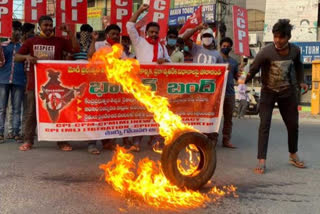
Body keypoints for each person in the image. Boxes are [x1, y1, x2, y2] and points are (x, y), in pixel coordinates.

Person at [245, 19, 308, 174]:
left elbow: (299, 66)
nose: (278, 41)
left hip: (288, 93)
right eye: (275, 37)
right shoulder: (265, 52)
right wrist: (241, 80)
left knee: (293, 125)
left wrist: (300, 81)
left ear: (288, 37)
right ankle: (262, 160)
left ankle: (293, 154)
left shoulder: (295, 51)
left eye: (281, 37)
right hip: (268, 92)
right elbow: (252, 70)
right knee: (264, 125)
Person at [14, 15, 80, 151]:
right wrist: (27, 56)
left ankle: (61, 141)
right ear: (39, 26)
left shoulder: (60, 41)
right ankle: (28, 141)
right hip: (35, 83)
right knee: (31, 113)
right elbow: (16, 57)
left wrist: (70, 33)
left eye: (50, 25)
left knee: (58, 112)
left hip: (56, 86)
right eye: (46, 25)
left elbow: (76, 50)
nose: (49, 28)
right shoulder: (31, 42)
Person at [126, 3, 171, 151]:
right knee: (140, 114)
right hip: (142, 86)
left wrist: (163, 62)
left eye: (156, 32)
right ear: (146, 32)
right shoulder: (139, 42)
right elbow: (130, 26)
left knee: (157, 114)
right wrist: (139, 10)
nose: (153, 34)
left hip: (158, 86)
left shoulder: (162, 47)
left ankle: (156, 141)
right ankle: (136, 143)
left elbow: (170, 63)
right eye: (151, 32)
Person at [182, 23, 225, 145]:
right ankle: (195, 139)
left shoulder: (217, 55)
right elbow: (184, 38)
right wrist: (197, 28)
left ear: (213, 38)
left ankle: (211, 139)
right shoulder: (196, 49)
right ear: (201, 38)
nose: (207, 38)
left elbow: (222, 73)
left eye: (209, 36)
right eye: (204, 36)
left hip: (211, 90)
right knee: (196, 113)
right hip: (197, 88)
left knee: (211, 113)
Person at [0, 21, 25, 144]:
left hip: (19, 79)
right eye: (14, 29)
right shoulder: (2, 45)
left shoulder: (24, 47)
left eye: (18, 30)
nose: (16, 32)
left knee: (16, 108)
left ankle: (16, 132)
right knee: (2, 108)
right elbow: (0, 63)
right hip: (3, 79)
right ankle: (0, 133)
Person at [219, 37, 239, 148]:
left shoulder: (234, 62)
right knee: (215, 118)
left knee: (228, 118)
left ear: (231, 48)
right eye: (224, 46)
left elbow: (238, 78)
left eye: (228, 46)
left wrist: (241, 73)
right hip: (217, 93)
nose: (225, 48)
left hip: (230, 93)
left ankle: (226, 140)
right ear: (220, 47)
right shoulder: (215, 59)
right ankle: (212, 139)